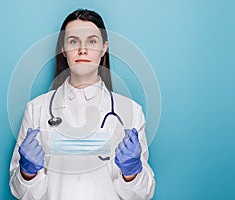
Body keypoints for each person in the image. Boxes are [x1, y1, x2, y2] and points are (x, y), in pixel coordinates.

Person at [9, 9, 155, 200]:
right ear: (63, 49)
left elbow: (143, 194)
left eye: (92, 41)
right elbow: (21, 192)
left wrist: (132, 172)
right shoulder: (37, 109)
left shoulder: (130, 111)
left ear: (104, 49)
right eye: (73, 41)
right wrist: (27, 173)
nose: (82, 49)